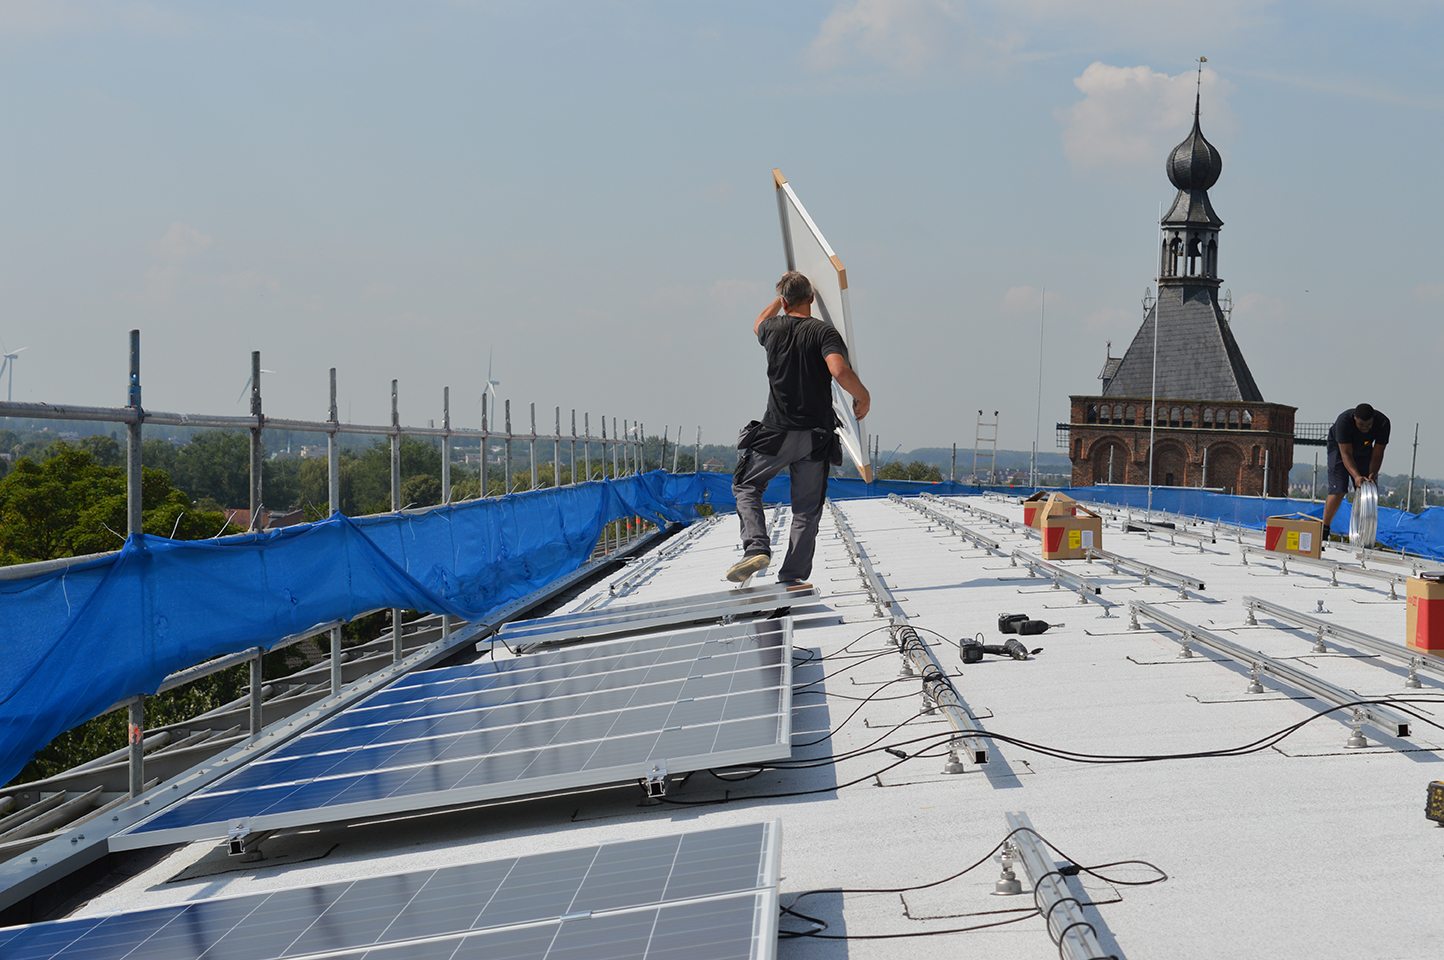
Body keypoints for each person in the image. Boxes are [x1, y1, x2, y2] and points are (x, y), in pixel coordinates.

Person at [726, 271, 871, 585]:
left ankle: (756, 547)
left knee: (747, 487)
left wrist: (778, 301)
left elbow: (757, 323)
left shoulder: (773, 329)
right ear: (812, 299)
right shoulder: (823, 333)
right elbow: (838, 369)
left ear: (783, 301)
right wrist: (863, 396)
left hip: (776, 432)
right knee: (806, 510)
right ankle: (792, 577)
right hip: (815, 438)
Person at [1322, 402, 1390, 540]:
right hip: (1339, 448)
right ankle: (1325, 528)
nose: (1365, 428)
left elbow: (1378, 453)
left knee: (1368, 488)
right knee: (1339, 489)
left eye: (1368, 425)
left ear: (1373, 420)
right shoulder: (1344, 422)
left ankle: (1365, 533)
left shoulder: (1383, 423)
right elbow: (1346, 454)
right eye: (1361, 425)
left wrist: (1372, 474)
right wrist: (1356, 476)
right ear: (1355, 418)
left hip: (1363, 449)